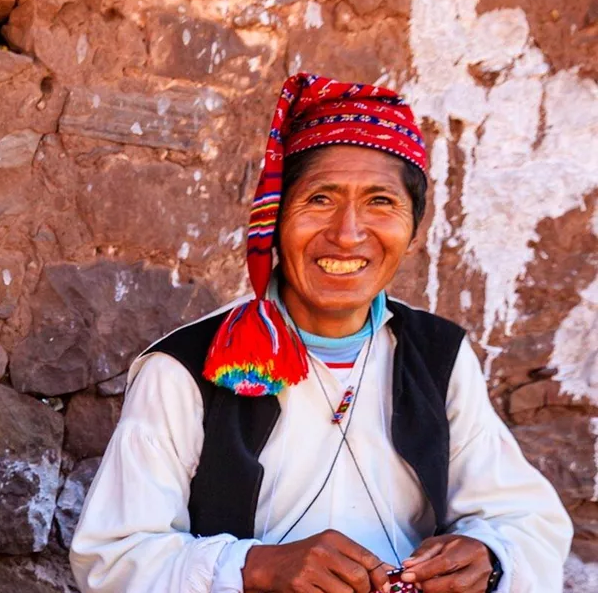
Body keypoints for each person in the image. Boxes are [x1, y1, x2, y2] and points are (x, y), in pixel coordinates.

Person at [69, 73, 572, 593]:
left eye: (381, 202)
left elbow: (527, 521)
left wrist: (490, 557)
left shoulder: (438, 356)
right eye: (320, 200)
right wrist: (254, 567)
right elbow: (113, 558)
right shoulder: (185, 368)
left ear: (413, 230)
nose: (348, 233)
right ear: (275, 219)